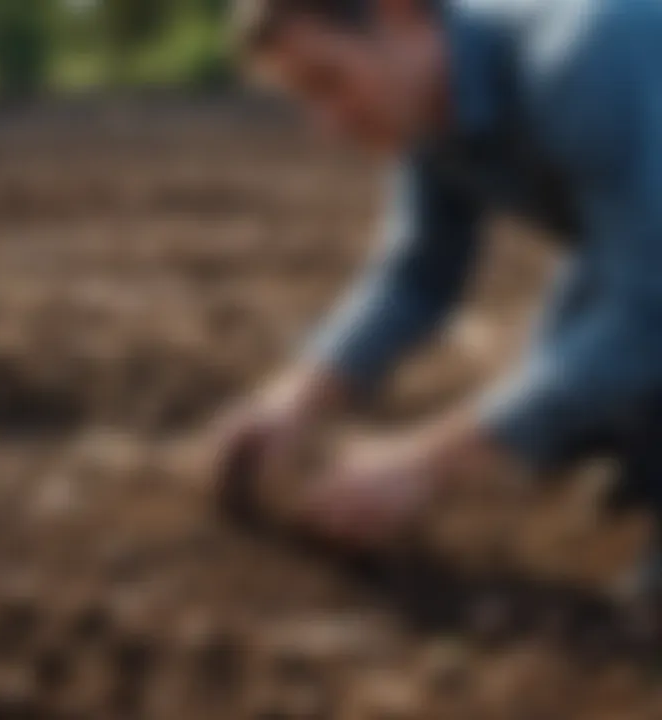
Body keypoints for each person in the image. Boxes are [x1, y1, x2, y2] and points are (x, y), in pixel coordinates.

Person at [214, 0, 662, 605]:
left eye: (329, 82)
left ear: (400, 15)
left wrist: (429, 461)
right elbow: (420, 273)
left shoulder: (581, 60)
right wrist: (295, 396)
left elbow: (647, 310)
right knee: (565, 413)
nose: (328, 124)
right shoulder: (432, 110)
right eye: (305, 98)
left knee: (587, 376)